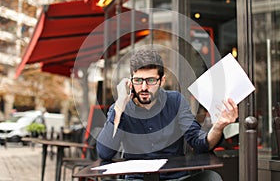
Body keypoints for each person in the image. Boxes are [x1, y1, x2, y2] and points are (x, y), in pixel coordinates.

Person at [96, 49, 238, 180]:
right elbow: (104, 152)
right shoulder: (120, 108)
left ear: (162, 81)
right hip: (137, 179)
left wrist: (218, 126)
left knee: (211, 178)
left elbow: (199, 143)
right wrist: (120, 107)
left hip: (174, 178)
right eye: (138, 80)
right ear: (130, 82)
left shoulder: (175, 101)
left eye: (151, 80)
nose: (144, 87)